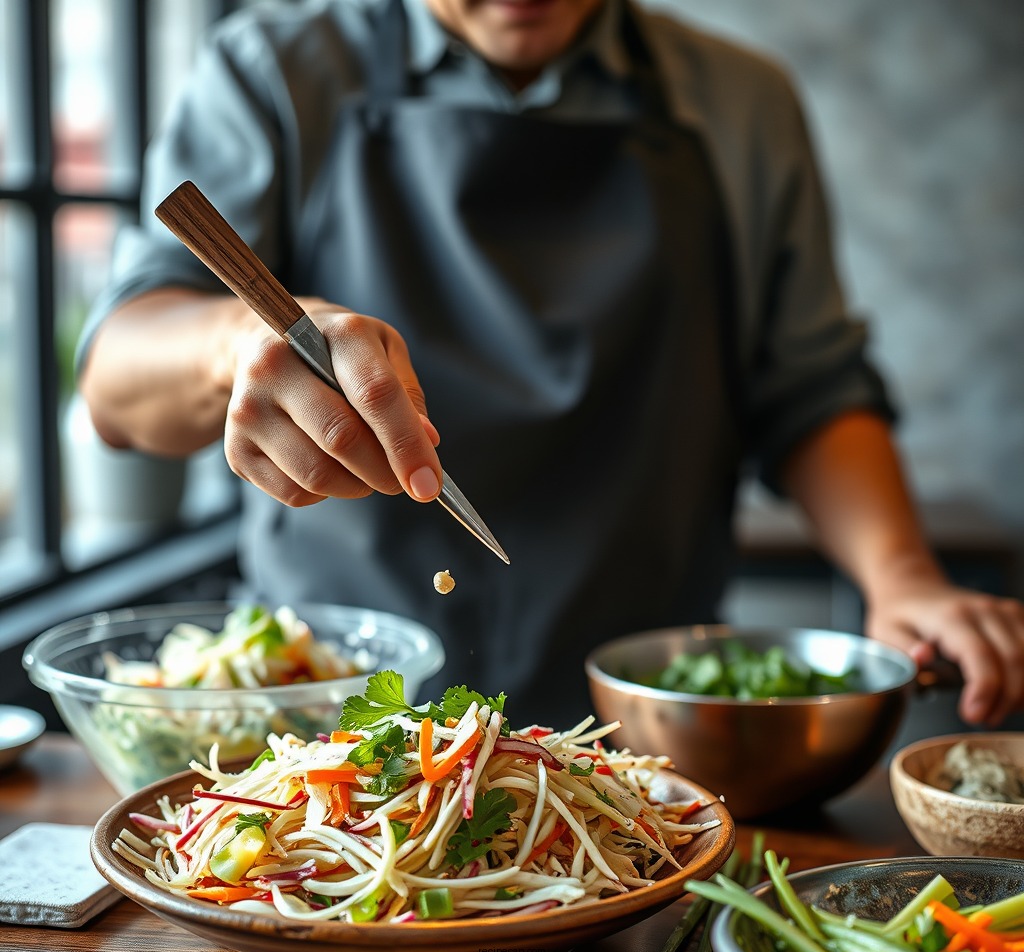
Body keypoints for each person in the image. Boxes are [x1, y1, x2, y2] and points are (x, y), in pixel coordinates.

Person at [77, 0, 1024, 728]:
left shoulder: (741, 103)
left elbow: (809, 386)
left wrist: (902, 575)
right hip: (327, 719)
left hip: (649, 726)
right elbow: (116, 380)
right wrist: (232, 345)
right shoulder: (275, 72)